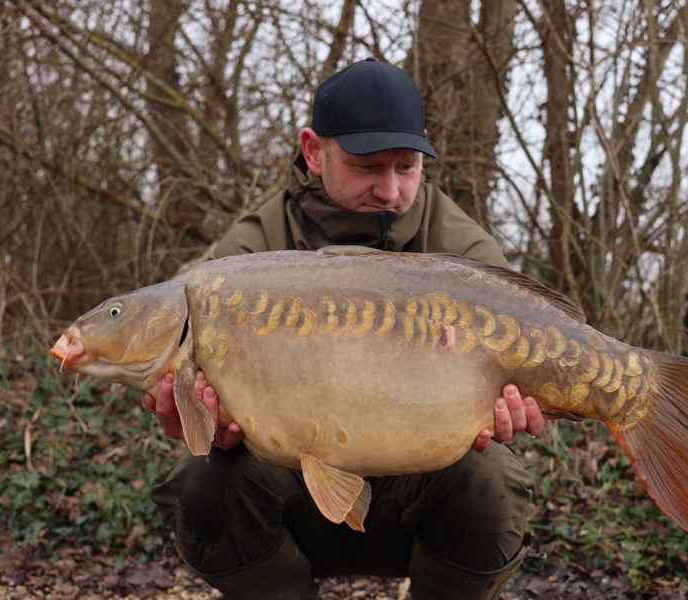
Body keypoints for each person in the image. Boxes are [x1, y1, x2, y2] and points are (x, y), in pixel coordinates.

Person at [142, 57, 545, 599]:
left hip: (419, 491)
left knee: (492, 482)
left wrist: (515, 409)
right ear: (314, 150)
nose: (390, 190)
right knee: (204, 484)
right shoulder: (248, 254)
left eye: (406, 167)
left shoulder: (462, 252)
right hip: (293, 497)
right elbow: (177, 382)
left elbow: (526, 380)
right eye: (368, 167)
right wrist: (190, 419)